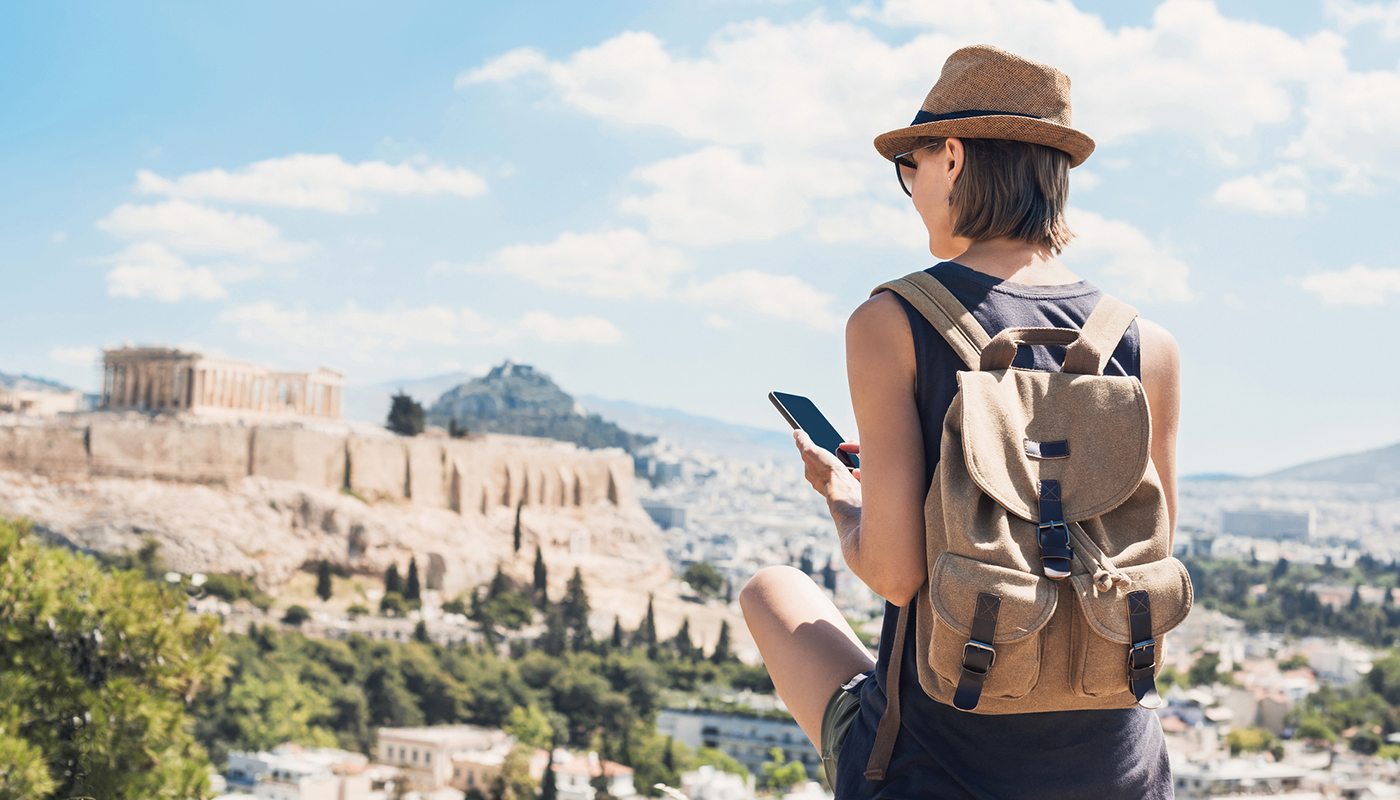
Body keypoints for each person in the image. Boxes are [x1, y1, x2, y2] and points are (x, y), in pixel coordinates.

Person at [740, 44, 1179, 798]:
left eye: (908, 168)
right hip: (1119, 772)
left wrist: (846, 500)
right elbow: (1149, 552)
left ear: (951, 157)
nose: (910, 191)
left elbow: (898, 573)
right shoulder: (1146, 343)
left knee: (769, 590)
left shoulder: (893, 321)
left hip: (936, 768)